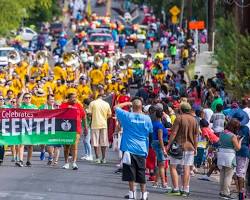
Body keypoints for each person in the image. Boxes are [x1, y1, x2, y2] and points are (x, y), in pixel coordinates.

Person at [114, 98, 153, 200]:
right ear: (141, 107)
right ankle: (144, 195)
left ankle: (132, 194)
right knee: (141, 172)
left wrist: (127, 103)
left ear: (132, 107)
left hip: (128, 149)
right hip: (141, 149)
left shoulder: (127, 116)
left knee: (130, 173)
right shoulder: (147, 118)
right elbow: (150, 131)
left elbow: (115, 107)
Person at [166, 102, 199, 197]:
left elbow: (174, 133)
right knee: (187, 167)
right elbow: (196, 136)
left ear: (181, 109)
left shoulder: (179, 118)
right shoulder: (194, 120)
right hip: (190, 147)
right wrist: (195, 147)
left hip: (178, 146)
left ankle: (176, 188)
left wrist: (169, 145)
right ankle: (185, 189)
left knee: (173, 166)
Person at [60, 93, 87, 170]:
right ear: (68, 98)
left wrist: (85, 127)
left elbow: (84, 116)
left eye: (75, 97)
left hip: (76, 129)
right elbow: (58, 115)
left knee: (74, 146)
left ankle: (74, 163)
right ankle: (66, 163)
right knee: (66, 147)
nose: (74, 99)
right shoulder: (63, 105)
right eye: (72, 97)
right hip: (66, 130)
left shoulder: (79, 106)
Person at [217, 119, 242, 199]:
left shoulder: (222, 133)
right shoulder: (233, 136)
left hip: (221, 154)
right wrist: (240, 141)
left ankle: (221, 191)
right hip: (230, 156)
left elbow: (220, 143)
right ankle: (226, 192)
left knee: (222, 174)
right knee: (228, 175)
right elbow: (237, 148)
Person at [88, 85, 112, 164]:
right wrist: (104, 118)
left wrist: (94, 116)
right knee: (104, 141)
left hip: (95, 124)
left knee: (95, 142)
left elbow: (89, 114)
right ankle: (104, 158)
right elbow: (109, 115)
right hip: (103, 124)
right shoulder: (106, 104)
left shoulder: (92, 103)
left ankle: (97, 158)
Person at [16, 92, 38, 167]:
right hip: (22, 127)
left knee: (30, 146)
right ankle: (20, 160)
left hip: (31, 128)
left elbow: (39, 116)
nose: (28, 99)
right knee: (21, 143)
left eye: (29, 97)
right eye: (26, 98)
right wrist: (23, 93)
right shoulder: (22, 106)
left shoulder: (34, 107)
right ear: (23, 99)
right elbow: (18, 103)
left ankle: (28, 161)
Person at [151, 106, 170, 190]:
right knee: (162, 165)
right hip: (159, 144)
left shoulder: (154, 123)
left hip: (155, 143)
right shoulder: (159, 125)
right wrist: (164, 150)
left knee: (159, 164)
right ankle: (163, 183)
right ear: (162, 116)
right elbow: (160, 138)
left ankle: (156, 182)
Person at [39, 94, 61, 166]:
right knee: (48, 146)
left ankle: (55, 161)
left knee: (57, 145)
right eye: (51, 99)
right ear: (47, 100)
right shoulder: (42, 107)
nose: (52, 101)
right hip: (46, 128)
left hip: (56, 128)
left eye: (53, 99)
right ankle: (49, 155)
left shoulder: (56, 107)